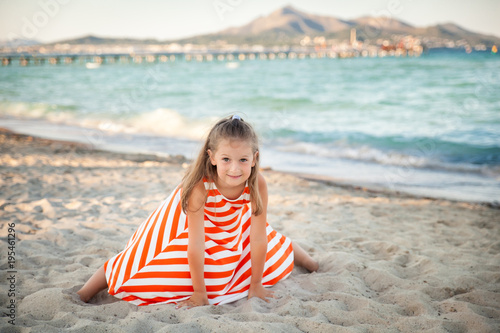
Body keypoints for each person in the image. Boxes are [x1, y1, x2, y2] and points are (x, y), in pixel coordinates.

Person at [77, 115, 318, 308]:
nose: (234, 169)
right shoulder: (200, 186)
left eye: (243, 160)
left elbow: (258, 236)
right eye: (226, 159)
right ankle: (83, 293)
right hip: (183, 226)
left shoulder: (257, 183)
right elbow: (196, 242)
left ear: (254, 159)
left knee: (271, 238)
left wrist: (256, 284)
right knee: (137, 260)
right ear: (211, 157)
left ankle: (311, 263)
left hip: (230, 224)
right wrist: (199, 293)